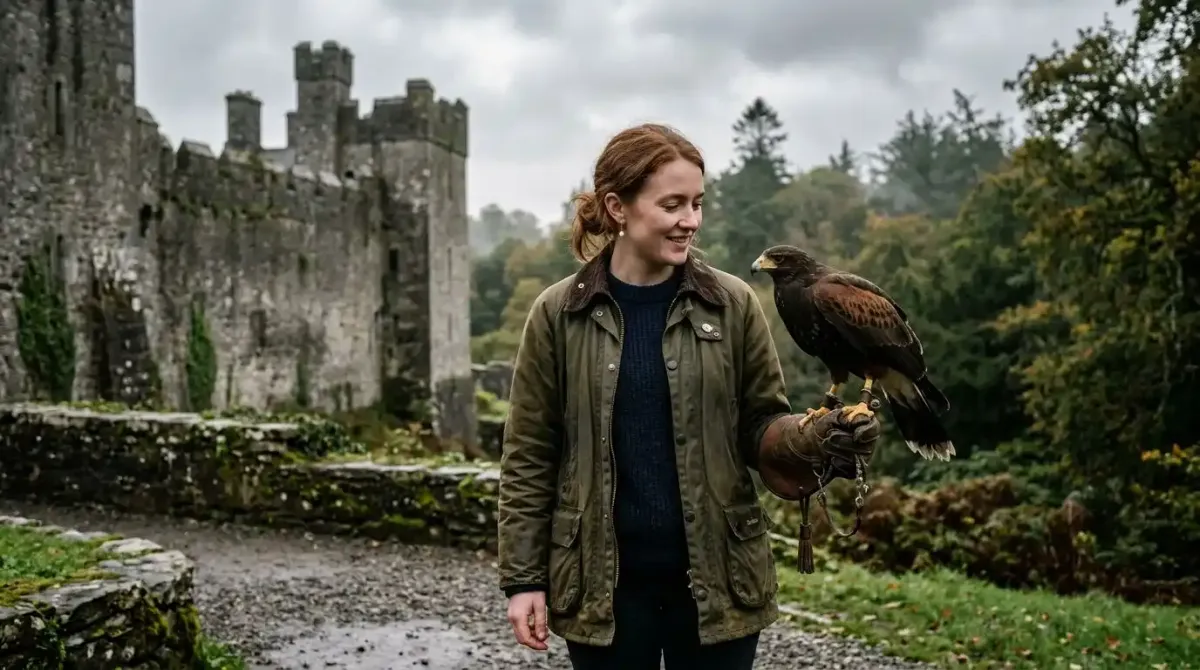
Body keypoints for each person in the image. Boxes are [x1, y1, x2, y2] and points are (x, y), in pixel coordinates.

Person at [496, 122, 881, 670]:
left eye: (698, 203)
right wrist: (524, 579)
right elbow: (530, 454)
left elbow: (761, 425)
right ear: (617, 207)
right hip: (602, 585)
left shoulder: (734, 303)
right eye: (673, 204)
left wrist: (810, 440)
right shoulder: (558, 315)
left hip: (719, 579)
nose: (690, 221)